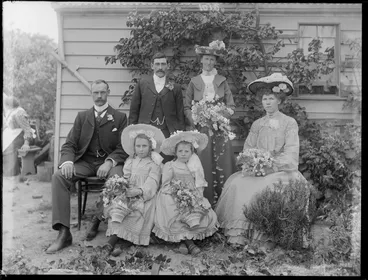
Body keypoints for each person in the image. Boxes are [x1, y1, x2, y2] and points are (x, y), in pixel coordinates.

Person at [214, 73, 310, 247]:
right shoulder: (257, 124)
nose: (267, 102)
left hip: (280, 170)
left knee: (271, 186)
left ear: (279, 101)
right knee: (236, 183)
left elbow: (291, 155)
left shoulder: (289, 123)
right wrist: (253, 163)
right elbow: (247, 149)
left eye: (271, 98)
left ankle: (269, 236)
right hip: (258, 168)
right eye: (265, 98)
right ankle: (241, 235)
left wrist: (271, 166)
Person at [46, 79, 129, 254]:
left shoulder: (120, 118)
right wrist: (68, 161)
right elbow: (69, 144)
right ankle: (64, 232)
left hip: (108, 162)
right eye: (96, 93)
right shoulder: (82, 117)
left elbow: (124, 147)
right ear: (91, 94)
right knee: (58, 176)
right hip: (85, 162)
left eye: (102, 92)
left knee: (117, 179)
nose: (99, 96)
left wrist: (109, 161)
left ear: (108, 92)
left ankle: (115, 233)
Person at [184, 40, 236, 205]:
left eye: (212, 60)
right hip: (202, 129)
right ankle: (204, 200)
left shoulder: (222, 80)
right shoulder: (194, 81)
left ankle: (225, 201)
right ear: (201, 60)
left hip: (219, 128)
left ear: (215, 62)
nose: (209, 62)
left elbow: (231, 105)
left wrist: (219, 116)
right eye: (206, 59)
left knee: (223, 161)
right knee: (204, 160)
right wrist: (196, 120)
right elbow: (186, 106)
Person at [101, 124, 165, 257]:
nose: (141, 150)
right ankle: (116, 239)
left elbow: (153, 182)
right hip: (128, 192)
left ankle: (116, 242)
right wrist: (121, 187)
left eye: (144, 146)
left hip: (144, 196)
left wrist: (140, 191)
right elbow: (126, 177)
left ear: (150, 147)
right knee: (118, 207)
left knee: (136, 212)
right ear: (134, 147)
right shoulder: (131, 161)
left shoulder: (154, 164)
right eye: (138, 146)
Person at [153, 130, 218, 256]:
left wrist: (197, 195)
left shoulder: (194, 166)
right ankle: (187, 243)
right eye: (180, 151)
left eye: (186, 151)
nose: (183, 154)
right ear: (175, 152)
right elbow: (166, 183)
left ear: (191, 152)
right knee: (174, 208)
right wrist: (177, 192)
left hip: (191, 193)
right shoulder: (170, 165)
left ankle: (186, 241)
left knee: (196, 209)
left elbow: (199, 184)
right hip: (173, 192)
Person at [128, 52, 186, 163]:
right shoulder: (142, 84)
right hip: (146, 130)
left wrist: (180, 135)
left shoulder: (175, 87)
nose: (160, 67)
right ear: (152, 66)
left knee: (166, 163)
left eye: (163, 64)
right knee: (146, 162)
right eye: (157, 64)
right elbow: (134, 110)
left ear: (168, 66)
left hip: (167, 132)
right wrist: (132, 130)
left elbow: (180, 113)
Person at [3, 95, 34, 177]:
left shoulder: (19, 113)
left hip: (19, 136)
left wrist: (26, 143)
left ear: (9, 105)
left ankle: (11, 173)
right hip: (12, 135)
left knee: (8, 147)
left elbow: (27, 129)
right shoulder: (11, 111)